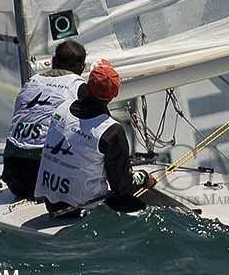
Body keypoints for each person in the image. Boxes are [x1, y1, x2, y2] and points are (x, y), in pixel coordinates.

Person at [34, 58, 154, 216]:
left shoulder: (61, 108)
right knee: (145, 211)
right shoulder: (111, 131)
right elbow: (121, 186)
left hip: (51, 203)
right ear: (114, 95)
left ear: (87, 85)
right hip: (84, 209)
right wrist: (143, 178)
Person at [1, 39, 87, 199]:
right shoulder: (78, 87)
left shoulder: (31, 82)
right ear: (82, 68)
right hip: (47, 181)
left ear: (53, 62)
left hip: (13, 178)